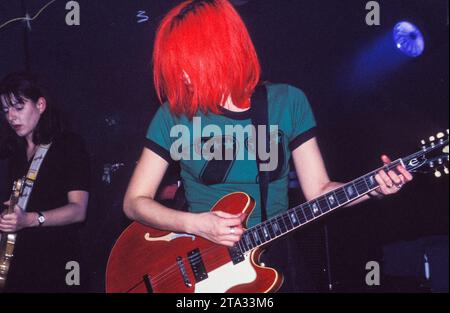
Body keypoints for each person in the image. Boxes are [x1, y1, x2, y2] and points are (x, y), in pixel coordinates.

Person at [123, 0, 413, 292]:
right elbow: (134, 202)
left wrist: (373, 188)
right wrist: (195, 224)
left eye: (187, 61)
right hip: (200, 261)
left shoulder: (288, 102)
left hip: (273, 257)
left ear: (220, 50)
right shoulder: (174, 116)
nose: (182, 74)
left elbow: (319, 191)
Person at [0, 72, 90, 293]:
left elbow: (79, 210)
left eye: (18, 107)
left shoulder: (69, 144)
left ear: (40, 105)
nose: (11, 117)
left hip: (61, 263)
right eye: (5, 110)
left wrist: (30, 219)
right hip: (22, 265)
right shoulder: (14, 154)